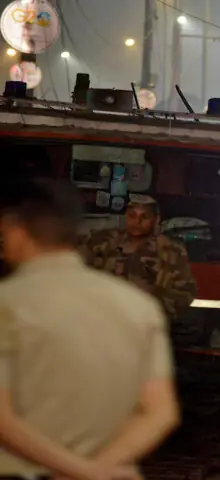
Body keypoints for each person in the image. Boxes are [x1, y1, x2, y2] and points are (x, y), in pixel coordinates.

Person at [0, 180, 179, 479]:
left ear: (17, 230)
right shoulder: (140, 308)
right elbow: (161, 413)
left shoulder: (8, 303)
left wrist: (75, 470)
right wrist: (98, 468)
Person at [78, 194, 197, 321]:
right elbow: (74, 274)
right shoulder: (102, 242)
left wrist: (153, 314)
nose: (137, 222)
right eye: (132, 216)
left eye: (144, 217)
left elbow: (184, 292)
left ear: (156, 219)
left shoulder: (171, 251)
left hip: (143, 323)